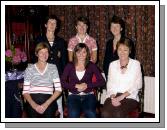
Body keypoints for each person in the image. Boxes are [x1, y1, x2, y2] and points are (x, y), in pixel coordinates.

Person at [31, 15, 67, 117]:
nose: (52, 25)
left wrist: (63, 77)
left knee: (58, 101)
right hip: (42, 74)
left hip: (57, 74)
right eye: (50, 23)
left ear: (56, 26)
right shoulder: (39, 39)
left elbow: (64, 61)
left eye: (54, 23)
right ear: (46, 25)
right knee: (44, 99)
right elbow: (35, 58)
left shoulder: (61, 41)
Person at [61, 43, 105, 118]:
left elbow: (102, 81)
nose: (81, 54)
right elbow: (62, 82)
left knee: (90, 113)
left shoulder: (91, 65)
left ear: (87, 53)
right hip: (73, 96)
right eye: (79, 52)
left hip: (89, 96)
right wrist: (75, 86)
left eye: (84, 52)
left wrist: (87, 85)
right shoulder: (70, 65)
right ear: (75, 53)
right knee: (73, 114)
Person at [101, 38, 142, 118]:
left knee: (118, 114)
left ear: (130, 51)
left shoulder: (136, 64)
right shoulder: (112, 65)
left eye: (125, 50)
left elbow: (138, 85)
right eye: (120, 49)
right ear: (117, 50)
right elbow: (110, 84)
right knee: (105, 113)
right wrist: (113, 97)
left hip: (129, 97)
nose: (122, 52)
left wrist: (121, 97)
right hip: (113, 95)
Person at [22, 42, 62, 118]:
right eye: (41, 52)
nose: (44, 55)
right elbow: (25, 92)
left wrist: (46, 104)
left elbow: (58, 90)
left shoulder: (53, 67)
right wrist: (34, 105)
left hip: (49, 100)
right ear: (36, 54)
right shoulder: (29, 69)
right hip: (32, 101)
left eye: (46, 52)